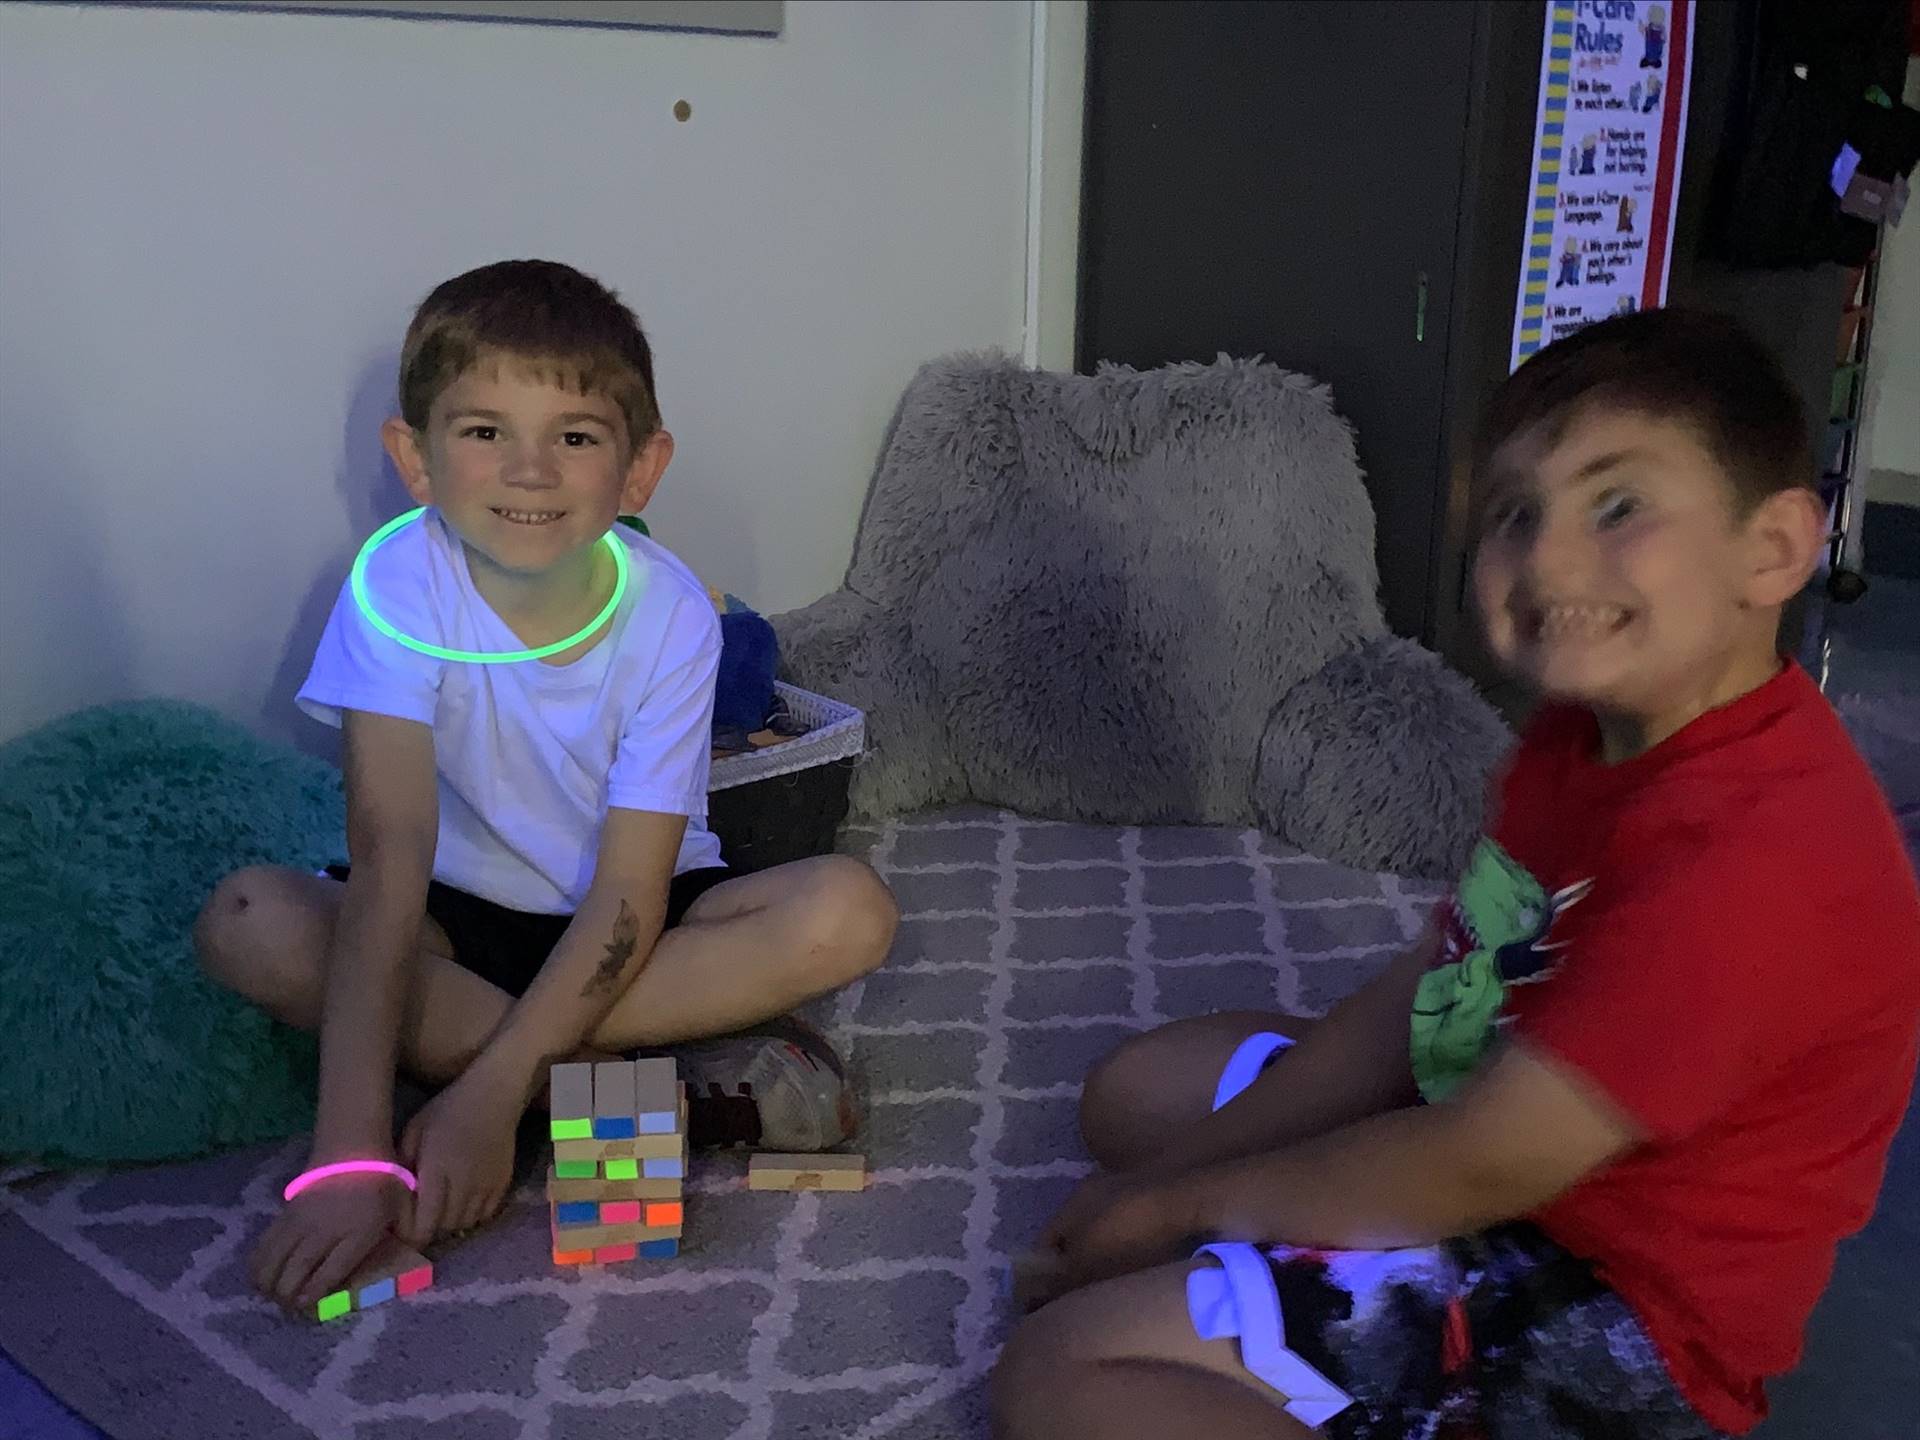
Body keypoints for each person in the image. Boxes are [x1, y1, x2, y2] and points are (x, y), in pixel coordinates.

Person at [992, 308, 1920, 1439]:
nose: (1548, 560)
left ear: (1773, 549)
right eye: (1514, 516)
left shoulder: (1761, 861)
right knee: (1134, 1097)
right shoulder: (1580, 736)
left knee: (1062, 1373)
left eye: (1617, 506)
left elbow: (1484, 1164)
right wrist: (1174, 1183)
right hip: (1492, 1123)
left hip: (1608, 1299)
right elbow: (1442, 981)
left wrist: (1178, 1205)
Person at [195, 260, 897, 1316]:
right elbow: (390, 857)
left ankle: (518, 1075)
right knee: (248, 920)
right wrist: (349, 1158)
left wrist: (488, 1090)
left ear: (640, 469)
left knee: (850, 910)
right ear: (415, 458)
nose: (529, 471)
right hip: (452, 918)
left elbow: (629, 892)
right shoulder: (395, 584)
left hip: (634, 922)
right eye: (483, 432)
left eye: (573, 437)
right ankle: (632, 1083)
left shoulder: (669, 614)